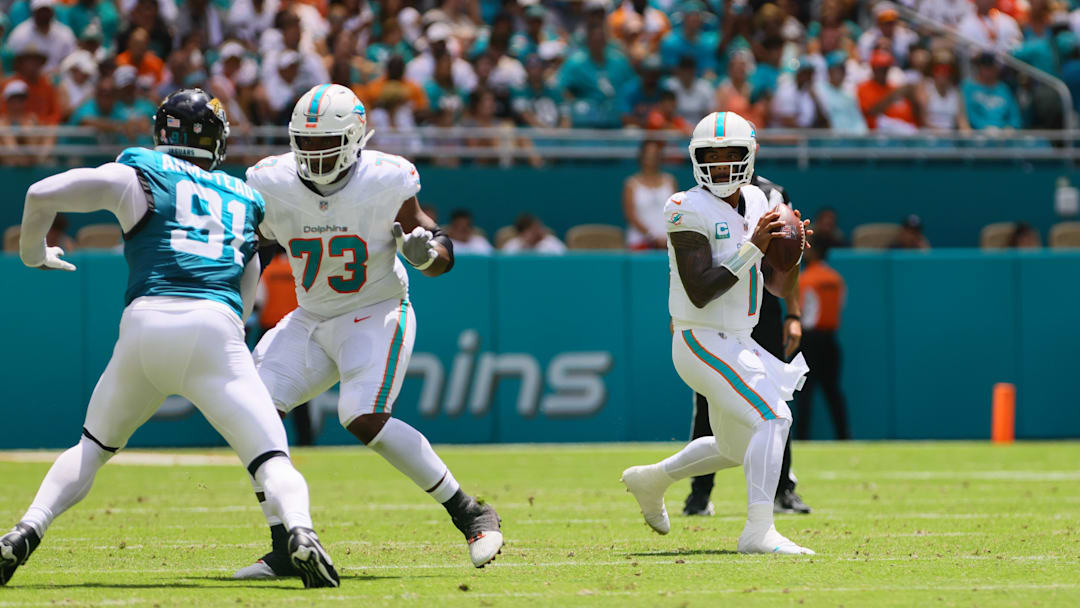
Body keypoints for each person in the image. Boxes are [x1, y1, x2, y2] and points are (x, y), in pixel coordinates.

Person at [1, 89, 339, 589]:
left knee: (91, 449)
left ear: (162, 130)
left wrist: (32, 253)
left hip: (145, 324)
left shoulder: (138, 172)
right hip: (214, 328)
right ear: (218, 141)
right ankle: (302, 533)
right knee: (271, 458)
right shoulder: (244, 196)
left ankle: (25, 530)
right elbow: (247, 293)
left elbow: (40, 194)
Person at [234, 84, 503, 580]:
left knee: (360, 416)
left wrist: (428, 256)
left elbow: (439, 246)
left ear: (355, 138)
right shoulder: (270, 181)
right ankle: (283, 546)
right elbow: (255, 246)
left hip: (375, 310)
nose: (314, 155)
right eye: (306, 143)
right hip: (311, 315)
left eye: (326, 143)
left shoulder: (385, 179)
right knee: (250, 414)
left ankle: (471, 513)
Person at [621, 111, 814, 555]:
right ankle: (758, 530)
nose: (722, 165)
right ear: (695, 158)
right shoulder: (684, 207)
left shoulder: (763, 201)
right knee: (774, 416)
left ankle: (651, 480)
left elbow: (778, 283)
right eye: (712, 156)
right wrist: (755, 246)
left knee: (734, 445)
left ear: (750, 156)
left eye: (732, 156)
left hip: (739, 339)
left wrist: (792, 251)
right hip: (699, 337)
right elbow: (702, 289)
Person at [682, 173, 813, 518]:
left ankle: (783, 489)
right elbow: (685, 264)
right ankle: (699, 493)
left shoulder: (772, 193)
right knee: (709, 402)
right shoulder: (695, 198)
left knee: (775, 400)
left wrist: (794, 312)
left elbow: (789, 262)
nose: (723, 162)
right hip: (718, 308)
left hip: (760, 307)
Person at [794, 237, 850, 441]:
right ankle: (844, 435)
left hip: (810, 340)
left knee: (805, 391)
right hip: (830, 340)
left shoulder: (806, 278)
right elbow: (840, 306)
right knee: (833, 391)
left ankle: (802, 437)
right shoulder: (836, 279)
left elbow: (801, 311)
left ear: (815, 252)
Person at [623, 138, 677, 251]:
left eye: (655, 154)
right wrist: (651, 236)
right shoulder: (631, 184)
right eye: (648, 154)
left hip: (667, 243)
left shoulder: (670, 181)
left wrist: (669, 237)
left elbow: (676, 211)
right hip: (639, 243)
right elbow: (631, 215)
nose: (651, 157)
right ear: (642, 156)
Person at [502, 212, 567, 253]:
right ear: (521, 233)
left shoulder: (552, 243)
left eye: (538, 228)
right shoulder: (511, 246)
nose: (538, 231)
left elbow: (564, 261)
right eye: (532, 230)